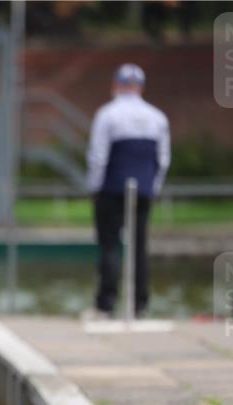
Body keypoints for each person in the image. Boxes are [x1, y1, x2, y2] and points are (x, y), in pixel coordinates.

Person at [85, 63, 170, 320]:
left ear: (116, 85)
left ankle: (105, 305)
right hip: (143, 191)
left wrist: (94, 187)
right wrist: (153, 188)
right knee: (139, 247)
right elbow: (163, 161)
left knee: (110, 245)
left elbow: (98, 157)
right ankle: (140, 306)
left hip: (111, 190)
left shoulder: (107, 114)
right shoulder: (158, 117)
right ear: (140, 88)